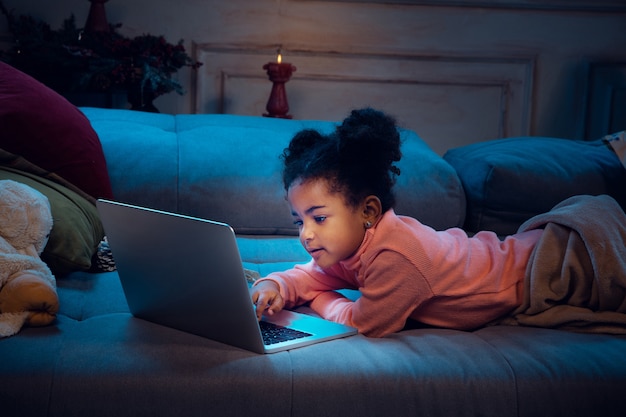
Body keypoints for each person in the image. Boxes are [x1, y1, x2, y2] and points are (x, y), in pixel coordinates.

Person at [250, 107, 626, 337]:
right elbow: (310, 273)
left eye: (318, 218)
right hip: (524, 254)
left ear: (367, 212)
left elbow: (362, 323)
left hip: (553, 264)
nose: (307, 234)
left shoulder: (395, 255)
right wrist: (275, 284)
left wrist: (318, 297)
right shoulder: (349, 246)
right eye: (298, 221)